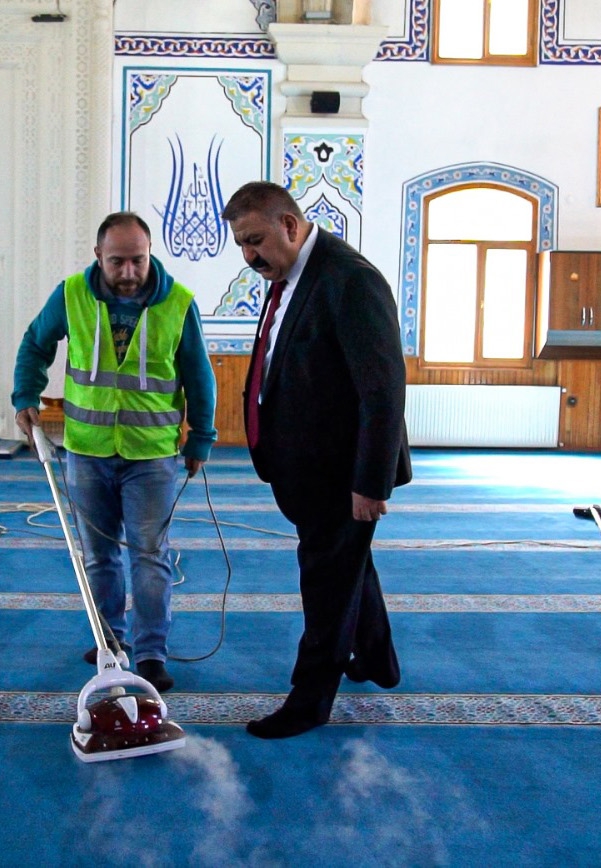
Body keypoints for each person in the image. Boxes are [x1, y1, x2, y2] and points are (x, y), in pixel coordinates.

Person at [223, 181, 411, 739]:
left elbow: (383, 392)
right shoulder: (289, 277)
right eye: (241, 245)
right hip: (304, 467)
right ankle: (377, 658)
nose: (250, 256)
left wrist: (370, 483)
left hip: (341, 473)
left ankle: (309, 701)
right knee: (350, 564)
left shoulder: (349, 280)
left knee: (326, 583)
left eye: (255, 240)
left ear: (288, 224)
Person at [12, 212, 217, 693]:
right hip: (86, 451)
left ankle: (149, 654)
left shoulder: (179, 303)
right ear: (98, 257)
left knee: (149, 556)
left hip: (152, 457)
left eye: (138, 260)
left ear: (150, 255)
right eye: (118, 261)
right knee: (99, 556)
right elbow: (34, 345)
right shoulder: (71, 296)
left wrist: (202, 436)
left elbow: (199, 373)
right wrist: (25, 395)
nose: (128, 272)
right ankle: (110, 641)